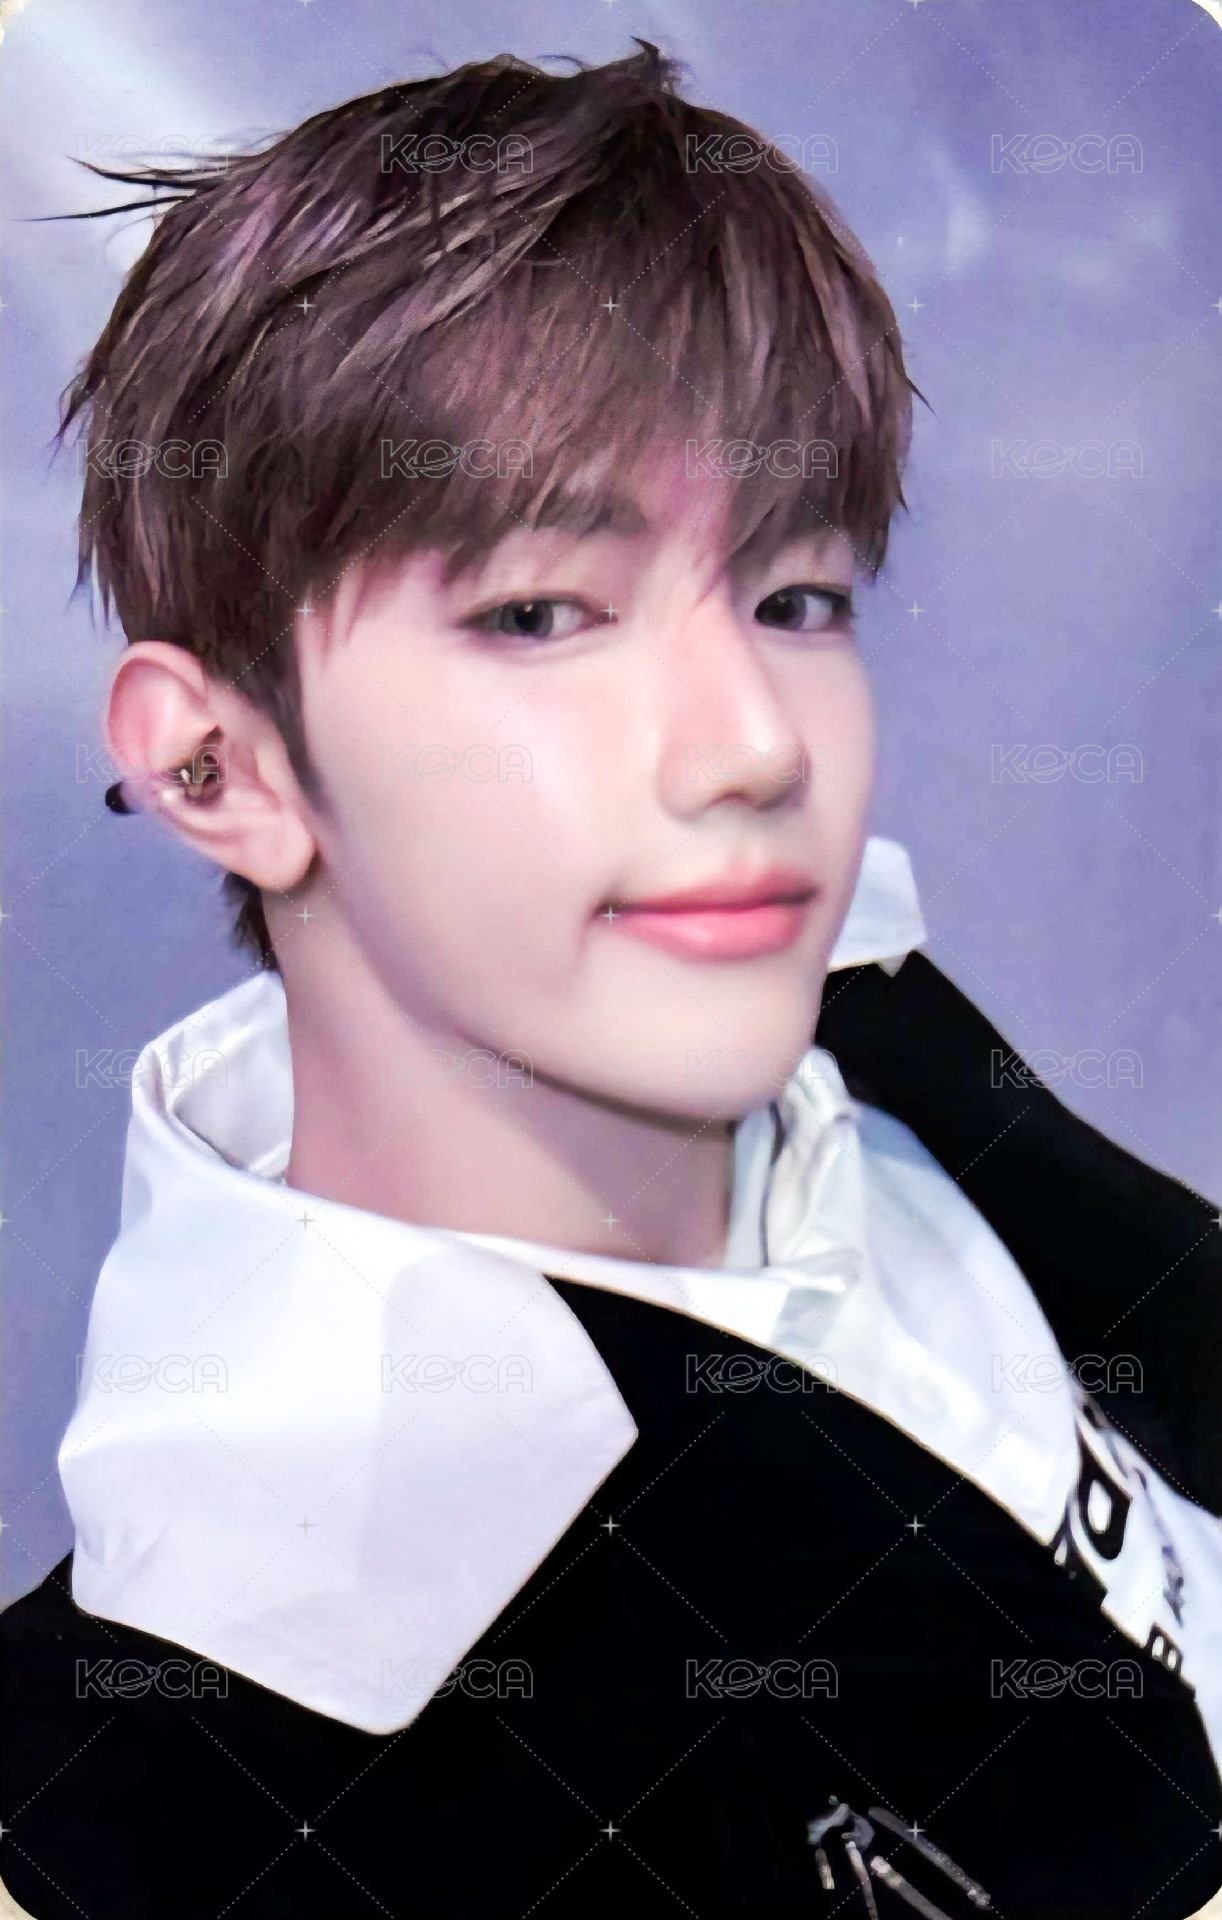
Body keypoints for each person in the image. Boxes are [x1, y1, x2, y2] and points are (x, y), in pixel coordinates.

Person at [2, 41, 1220, 1920]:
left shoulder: (822, 983)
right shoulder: (191, 1754)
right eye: (538, 613)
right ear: (216, 767)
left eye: (796, 599)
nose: (756, 741)